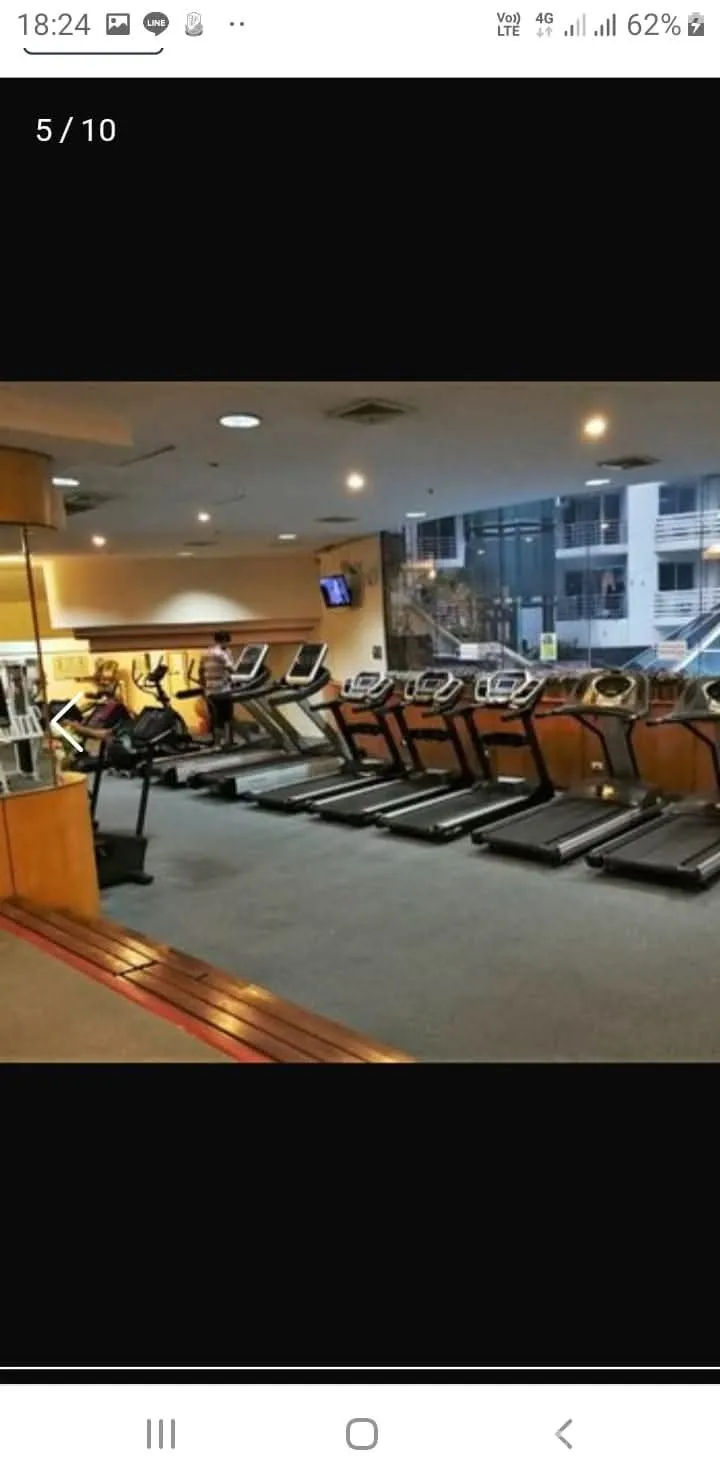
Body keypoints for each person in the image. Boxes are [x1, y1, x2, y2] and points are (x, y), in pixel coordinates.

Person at [199, 631, 235, 748]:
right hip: (223, 691)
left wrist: (204, 686)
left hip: (210, 692)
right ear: (224, 641)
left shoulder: (205, 653)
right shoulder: (222, 654)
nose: (228, 644)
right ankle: (228, 741)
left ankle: (217, 743)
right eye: (227, 642)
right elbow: (232, 669)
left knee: (215, 718)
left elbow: (200, 671)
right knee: (227, 718)